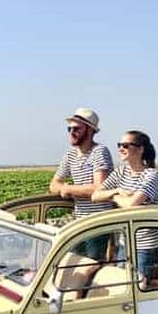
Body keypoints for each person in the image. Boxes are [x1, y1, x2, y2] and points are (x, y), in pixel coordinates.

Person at [91, 130, 158, 284]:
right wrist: (116, 191)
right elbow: (95, 196)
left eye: (125, 145)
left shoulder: (151, 175)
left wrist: (113, 197)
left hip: (145, 245)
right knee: (122, 285)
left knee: (139, 289)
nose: (120, 149)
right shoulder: (120, 172)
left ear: (140, 149)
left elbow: (132, 204)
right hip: (125, 241)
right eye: (119, 145)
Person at [49, 107, 115, 260]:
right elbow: (53, 185)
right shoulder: (70, 154)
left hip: (97, 223)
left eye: (77, 128)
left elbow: (99, 188)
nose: (72, 132)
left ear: (90, 130)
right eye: (69, 128)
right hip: (79, 221)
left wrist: (68, 189)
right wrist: (65, 189)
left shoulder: (99, 151)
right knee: (74, 260)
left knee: (90, 264)